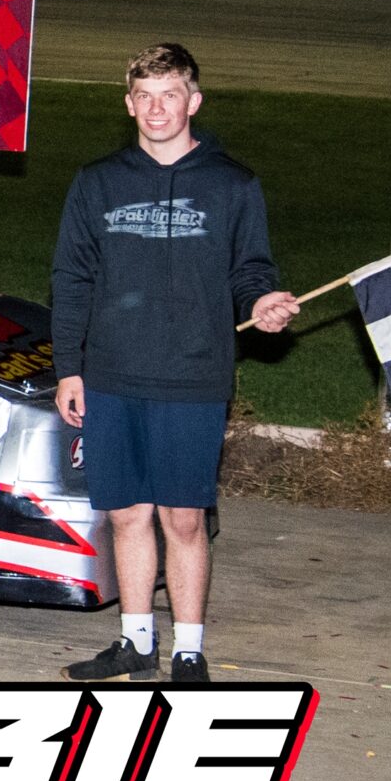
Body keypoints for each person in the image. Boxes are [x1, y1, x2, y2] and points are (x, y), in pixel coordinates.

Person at [51, 43, 299, 684]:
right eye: (144, 96)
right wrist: (69, 367)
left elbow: (250, 270)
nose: (157, 108)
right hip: (110, 373)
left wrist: (264, 301)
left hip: (192, 374)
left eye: (170, 95)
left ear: (193, 100)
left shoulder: (233, 184)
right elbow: (72, 277)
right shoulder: (98, 181)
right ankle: (135, 643)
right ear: (128, 103)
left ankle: (188, 651)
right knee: (127, 515)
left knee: (183, 518)